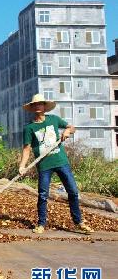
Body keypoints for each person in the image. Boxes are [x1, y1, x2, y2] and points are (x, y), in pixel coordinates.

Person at [19, 94, 93, 235]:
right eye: (35, 104)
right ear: (33, 107)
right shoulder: (29, 128)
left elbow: (72, 127)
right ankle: (41, 223)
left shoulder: (54, 120)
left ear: (44, 106)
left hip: (61, 161)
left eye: (40, 103)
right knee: (42, 195)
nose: (38, 106)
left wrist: (67, 130)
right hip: (44, 165)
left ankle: (78, 222)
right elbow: (26, 148)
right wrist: (22, 166)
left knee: (73, 192)